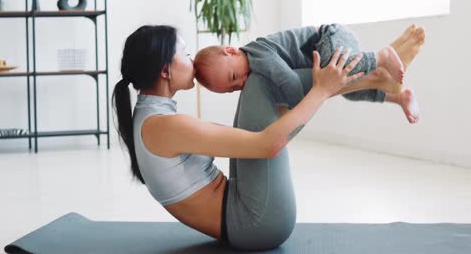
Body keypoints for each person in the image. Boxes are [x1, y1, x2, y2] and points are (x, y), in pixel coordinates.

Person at [112, 25, 364, 250]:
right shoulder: (163, 126)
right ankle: (368, 71)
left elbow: (238, 138)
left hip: (244, 215)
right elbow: (268, 145)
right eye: (185, 53)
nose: (192, 60)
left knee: (258, 86)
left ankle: (370, 78)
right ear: (165, 70)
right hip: (258, 223)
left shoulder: (151, 119)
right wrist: (320, 92)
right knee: (259, 82)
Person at [194, 24, 425, 123]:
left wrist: (298, 107)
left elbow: (291, 82)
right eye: (234, 88)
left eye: (235, 77)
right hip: (324, 45)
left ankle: (380, 58)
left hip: (328, 37)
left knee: (334, 66)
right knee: (349, 90)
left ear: (231, 51)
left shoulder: (259, 56)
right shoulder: (251, 65)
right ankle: (397, 97)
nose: (242, 83)